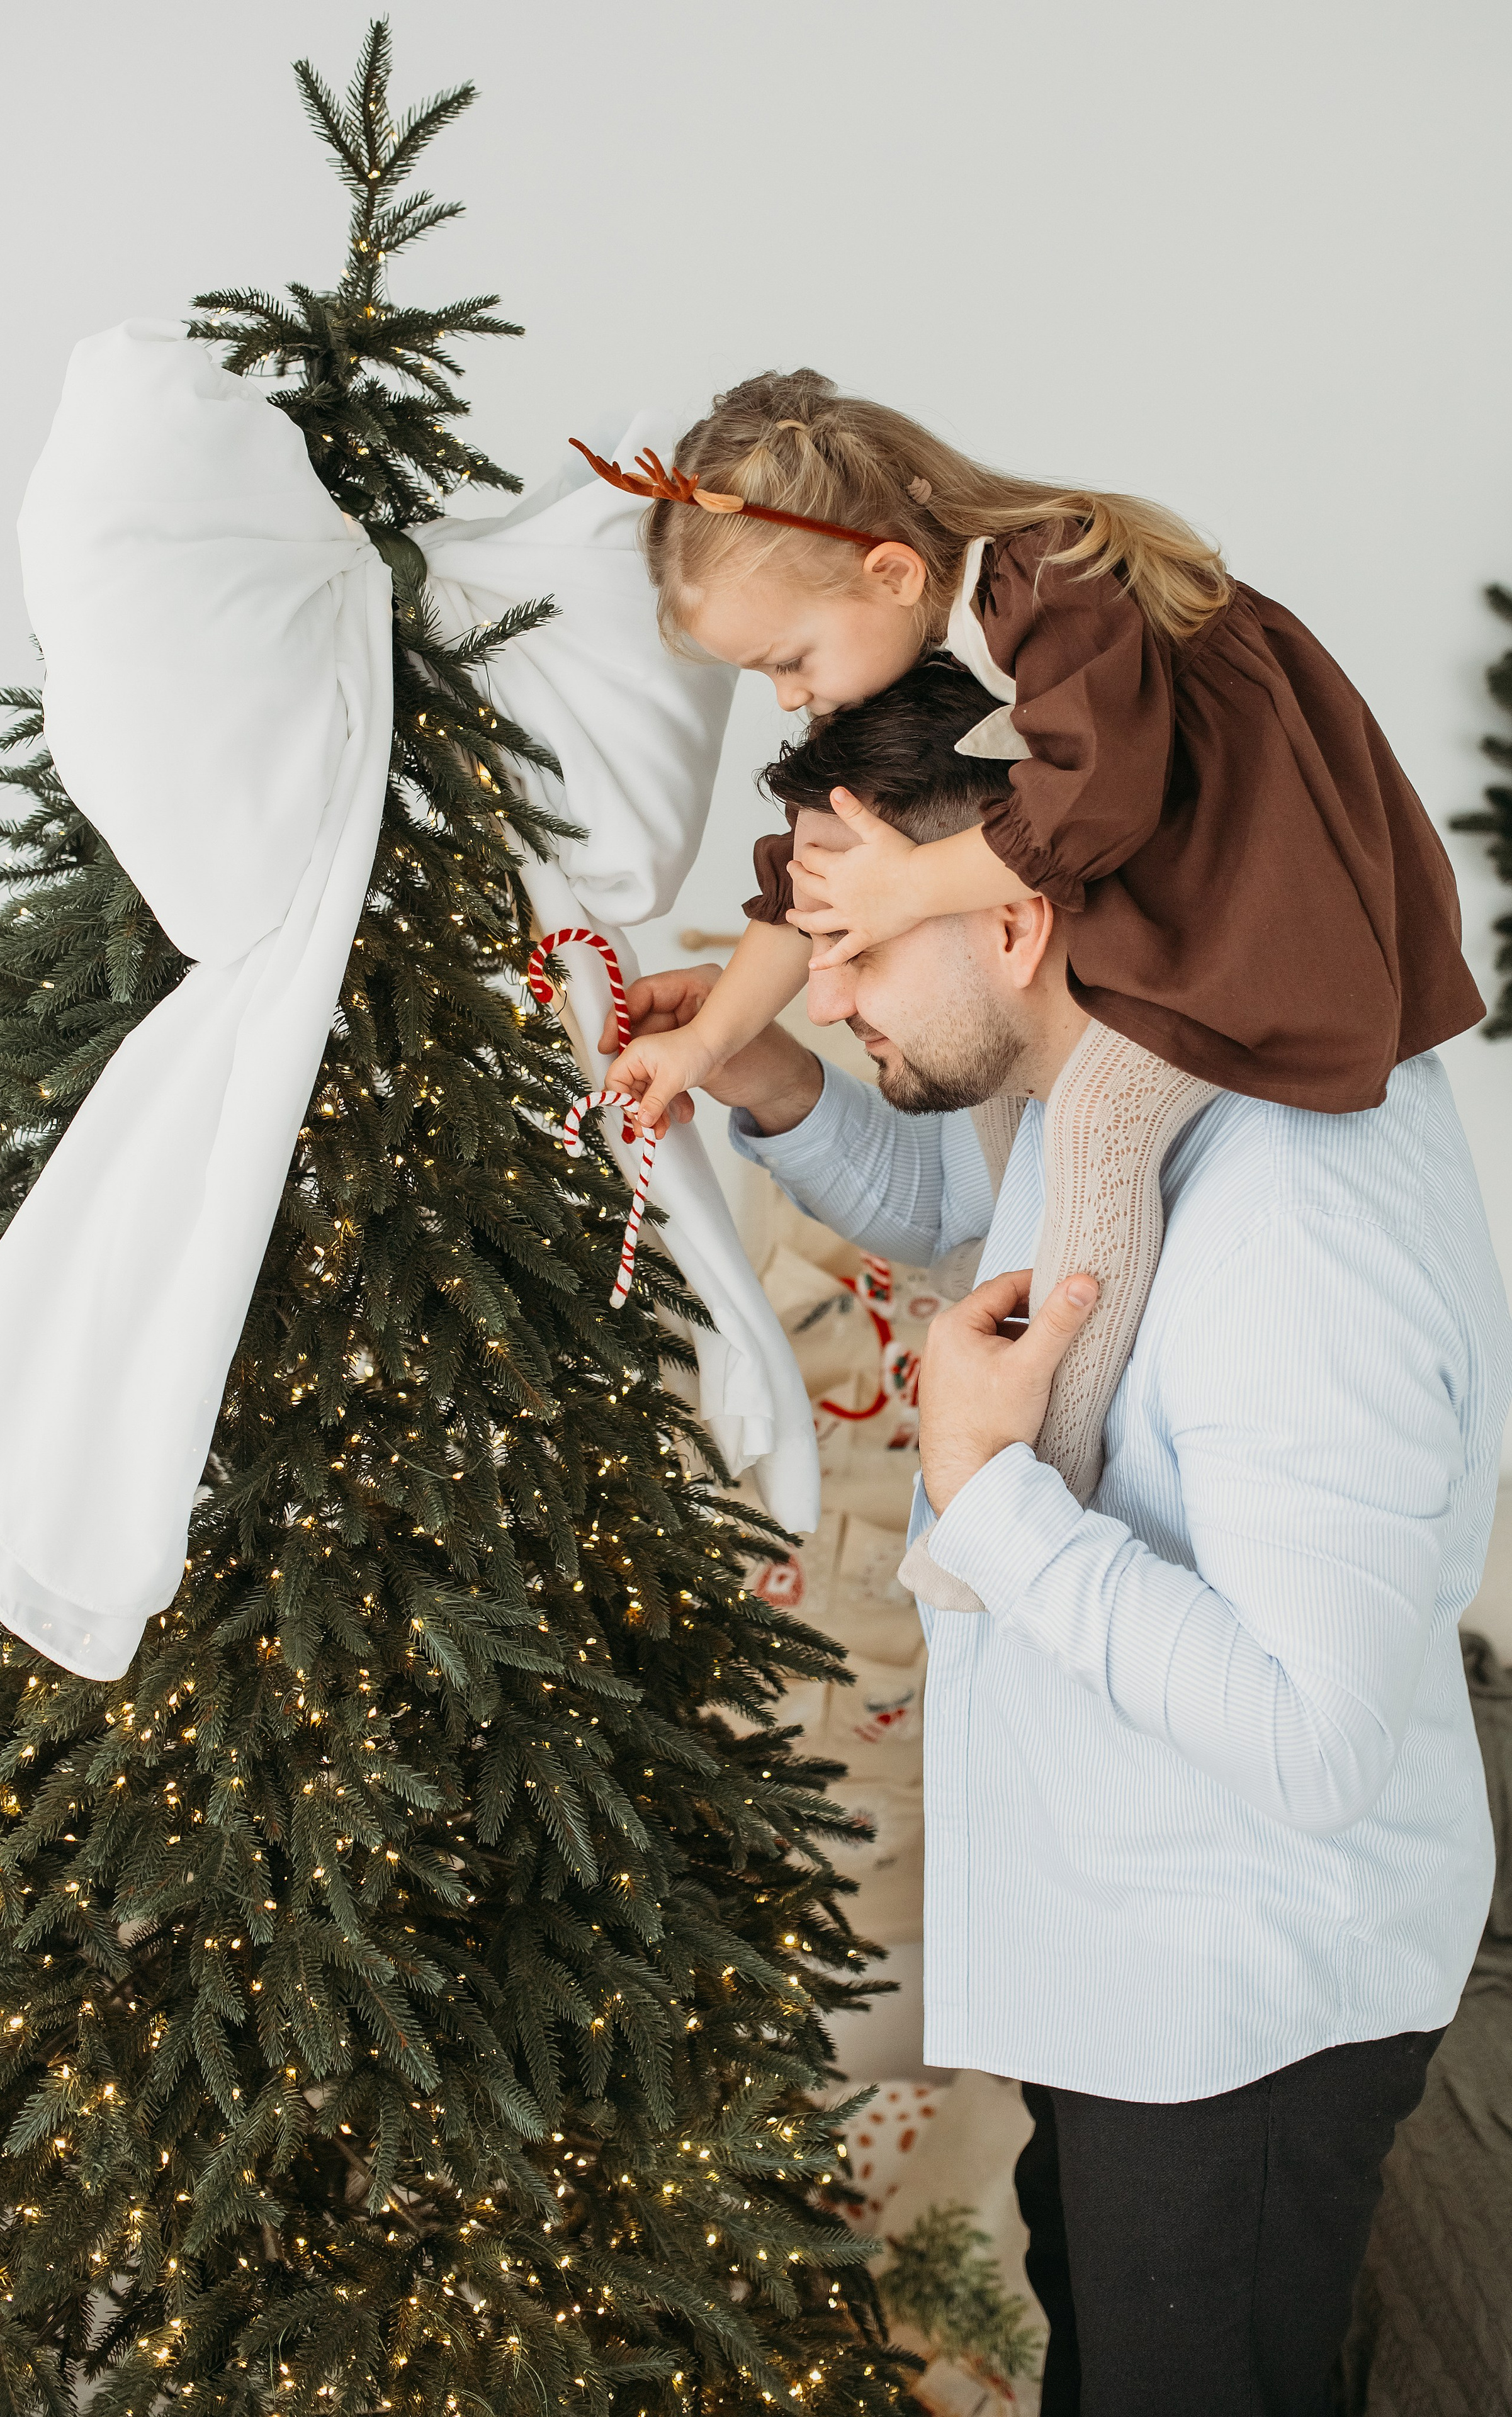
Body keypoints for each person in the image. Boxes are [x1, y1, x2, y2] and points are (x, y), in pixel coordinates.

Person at [609, 753, 1512, 2411]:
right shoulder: (1096, 1090)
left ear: (1014, 919)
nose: (821, 980)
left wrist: (988, 1492)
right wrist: (772, 1078)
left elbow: (1315, 1741)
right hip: (1132, 1970)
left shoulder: (1297, 1204)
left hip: (1243, 2004)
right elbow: (961, 1217)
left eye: (856, 939)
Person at [572, 370, 1482, 1141]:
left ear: (891, 574)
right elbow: (811, 889)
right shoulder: (895, 647)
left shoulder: (1052, 581)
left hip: (1251, 868)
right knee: (1013, 1098)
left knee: (1094, 1132)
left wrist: (914, 885)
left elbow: (1096, 795)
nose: (788, 697)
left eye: (789, 661)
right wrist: (705, 1044)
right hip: (1143, 870)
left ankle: (1061, 1349)